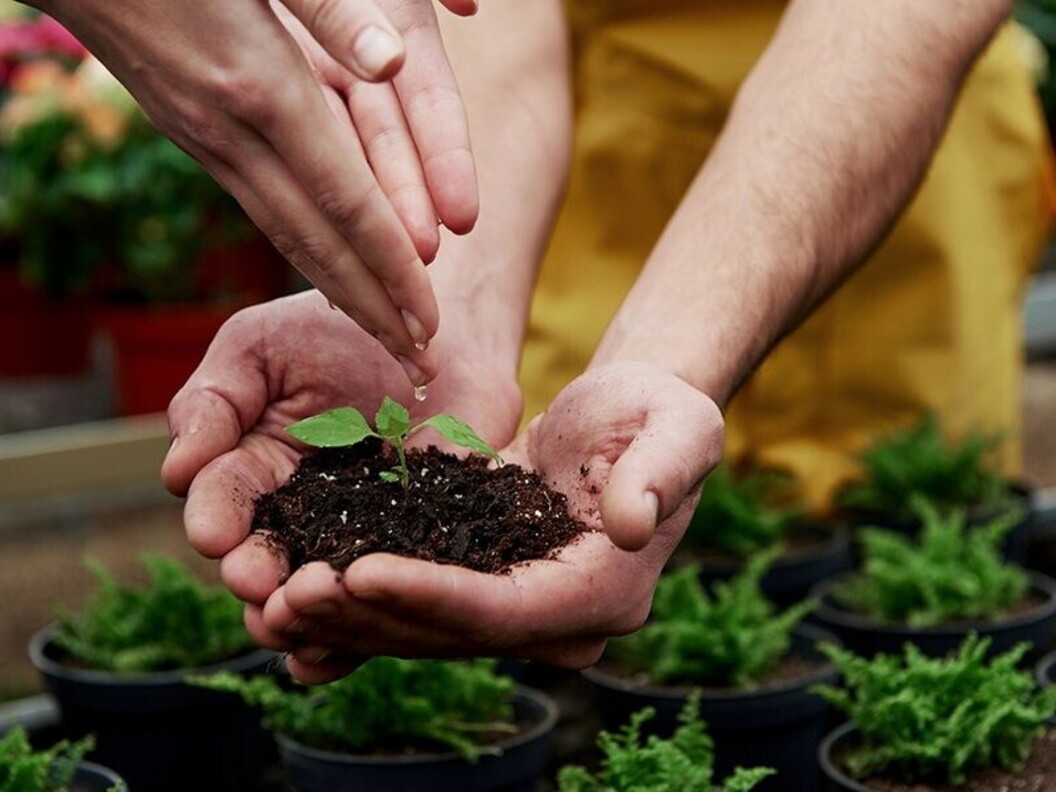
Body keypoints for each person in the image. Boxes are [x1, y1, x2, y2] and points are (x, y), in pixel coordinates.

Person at [149, 0, 1049, 685]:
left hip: (866, 142)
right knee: (588, 535)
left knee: (899, 566)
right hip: (586, 155)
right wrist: (438, 310)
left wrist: (666, 354)